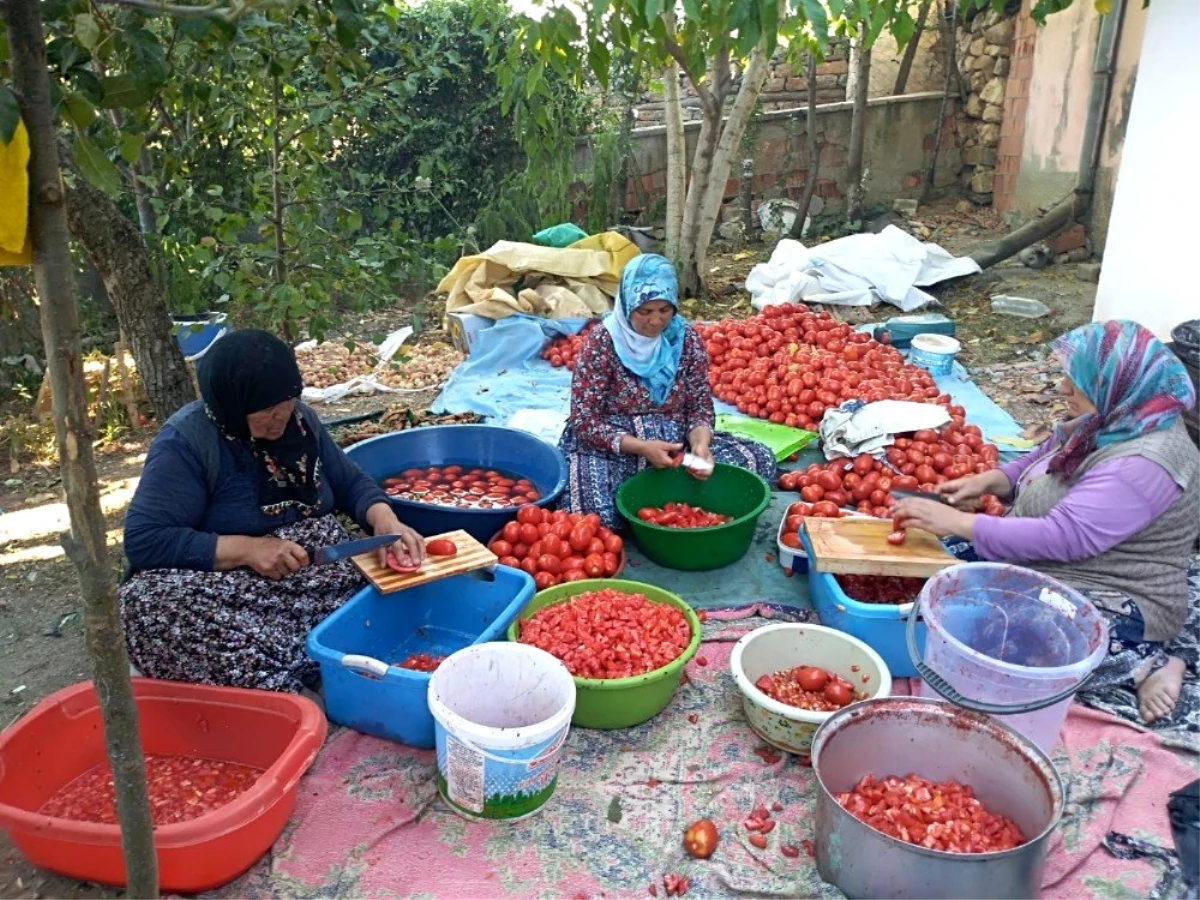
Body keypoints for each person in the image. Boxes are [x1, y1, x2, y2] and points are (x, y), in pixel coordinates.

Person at [895, 320, 1200, 724]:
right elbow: (1044, 456)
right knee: (933, 569)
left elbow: (1065, 538)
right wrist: (996, 479)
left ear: (1116, 386)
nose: (1061, 389)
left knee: (1017, 636)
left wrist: (960, 523)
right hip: (1052, 561)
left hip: (1113, 589)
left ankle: (1146, 663)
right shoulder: (1116, 417)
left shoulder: (1143, 463)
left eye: (1076, 382)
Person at [120, 329, 426, 692]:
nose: (281, 420)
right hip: (233, 590)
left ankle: (320, 659)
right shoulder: (186, 444)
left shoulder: (300, 421)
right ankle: (282, 691)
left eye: (288, 404)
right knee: (146, 604)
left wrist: (385, 522)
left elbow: (350, 484)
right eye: (267, 412)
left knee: (402, 593)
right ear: (233, 405)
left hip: (314, 577)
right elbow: (144, 540)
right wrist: (248, 550)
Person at [559, 253, 777, 527]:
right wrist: (642, 447)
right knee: (592, 515)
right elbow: (584, 421)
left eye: (665, 310)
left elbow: (699, 404)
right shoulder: (601, 343)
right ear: (627, 304)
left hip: (677, 450)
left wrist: (700, 444)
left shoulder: (684, 339)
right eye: (645, 311)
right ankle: (660, 496)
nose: (656, 321)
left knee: (759, 461)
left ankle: (666, 498)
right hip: (615, 451)